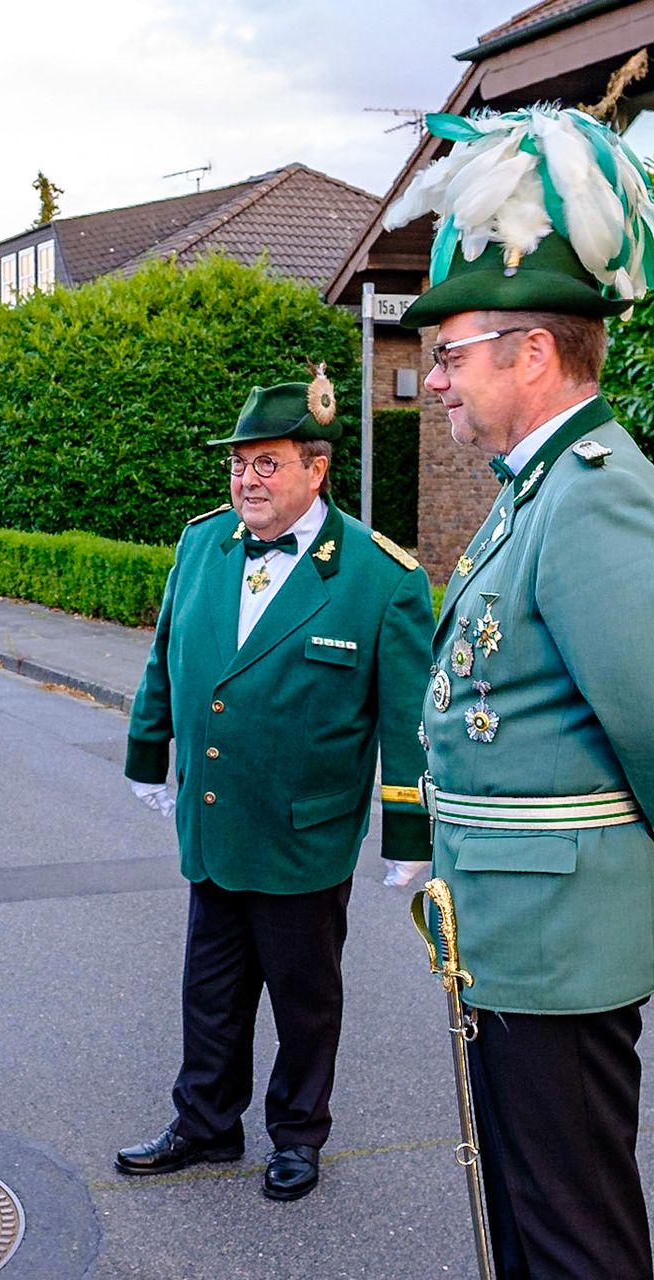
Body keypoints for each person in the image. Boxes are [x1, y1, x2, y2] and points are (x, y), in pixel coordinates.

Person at [384, 105, 654, 1277]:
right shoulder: (536, 490)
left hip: (565, 940)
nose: (433, 376)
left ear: (531, 351)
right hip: (516, 927)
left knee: (576, 1237)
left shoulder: (591, 494)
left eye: (454, 350)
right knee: (537, 1228)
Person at [117, 377, 433, 1203]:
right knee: (210, 991)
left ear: (316, 469)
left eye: (267, 463)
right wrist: (149, 755)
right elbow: (166, 659)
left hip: (305, 832)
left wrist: (410, 836)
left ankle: (297, 1133)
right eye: (238, 464)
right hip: (216, 819)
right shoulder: (203, 545)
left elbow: (406, 724)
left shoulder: (380, 577)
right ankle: (205, 1121)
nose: (246, 480)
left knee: (304, 1000)